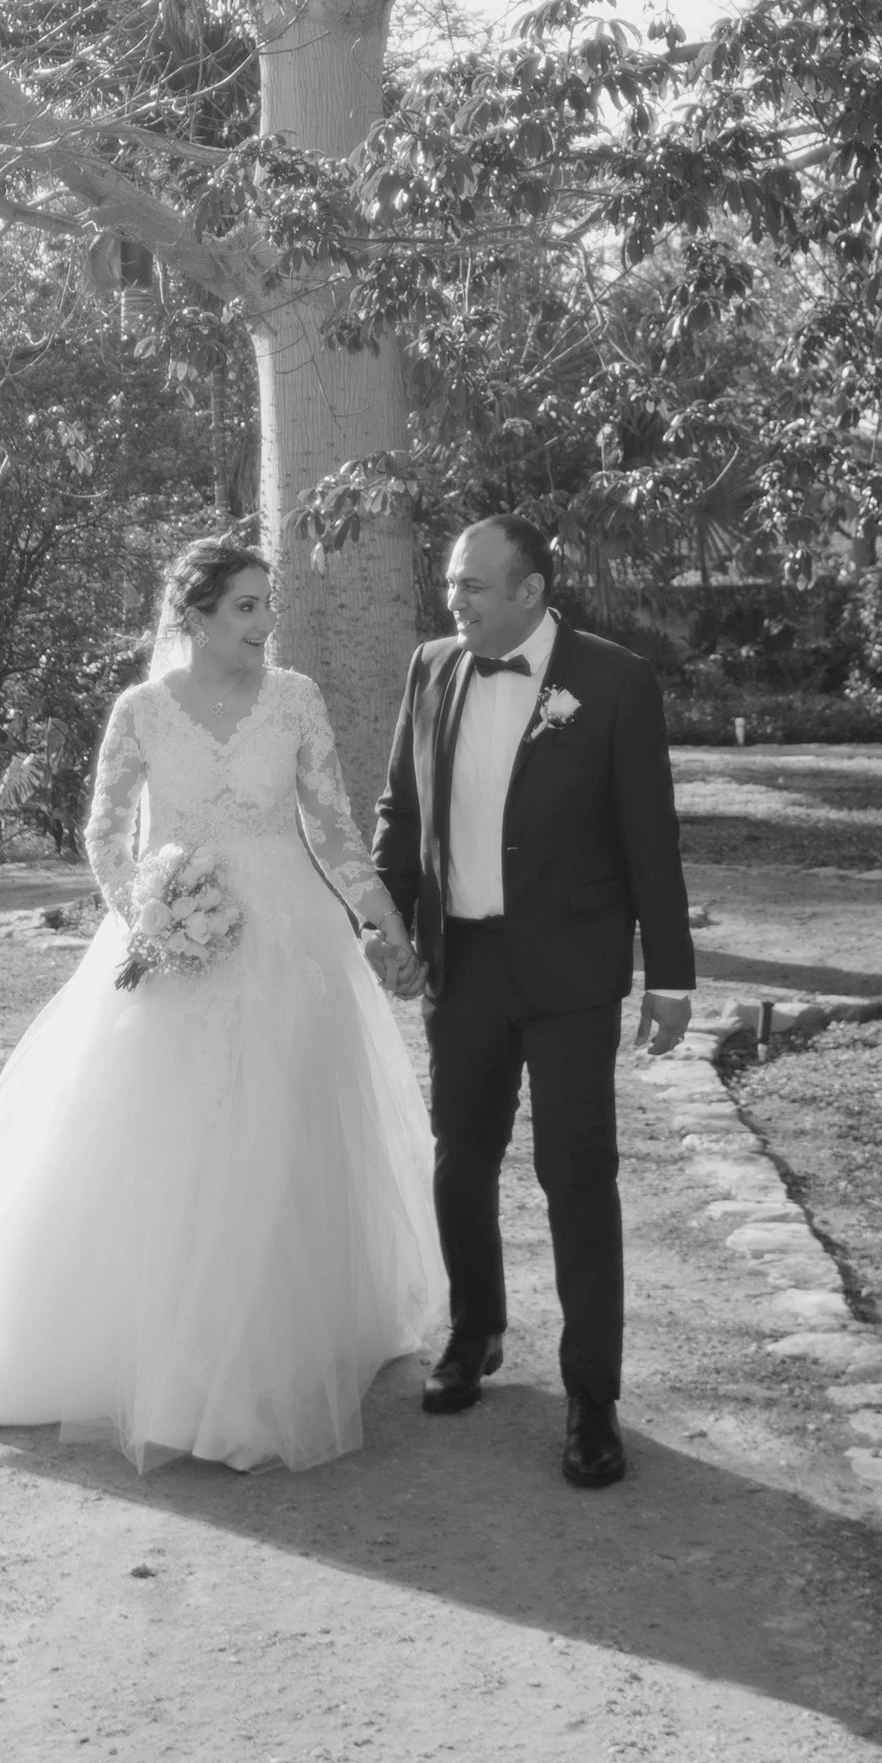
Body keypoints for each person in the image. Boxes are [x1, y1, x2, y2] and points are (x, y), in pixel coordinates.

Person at [0, 535, 443, 1473]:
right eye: (245, 608)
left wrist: (381, 919)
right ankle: (159, 1355)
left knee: (280, 1133)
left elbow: (334, 825)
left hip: (289, 945)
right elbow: (105, 831)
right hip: (173, 939)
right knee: (173, 1139)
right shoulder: (140, 710)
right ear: (194, 615)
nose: (265, 625)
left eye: (268, 605)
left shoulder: (297, 700)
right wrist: (147, 917)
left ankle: (277, 1350)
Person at [372, 513, 696, 1492]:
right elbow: (401, 811)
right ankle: (475, 1334)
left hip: (569, 974)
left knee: (574, 1174)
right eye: (450, 587)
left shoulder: (613, 682)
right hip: (460, 964)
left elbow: (650, 839)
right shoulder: (430, 668)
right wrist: (388, 925)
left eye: (473, 586)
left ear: (531, 590)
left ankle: (592, 1399)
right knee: (458, 1162)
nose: (454, 602)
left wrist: (670, 973)